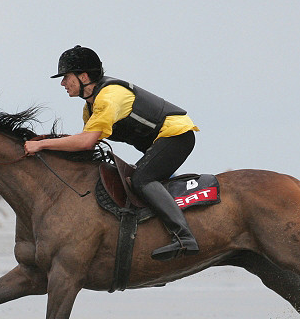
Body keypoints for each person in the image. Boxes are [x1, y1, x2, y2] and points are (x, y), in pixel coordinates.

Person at [24, 45, 200, 261]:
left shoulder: (108, 98)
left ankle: (184, 237)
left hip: (177, 135)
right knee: (134, 184)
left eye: (66, 77)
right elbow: (83, 142)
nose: (62, 83)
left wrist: (42, 145)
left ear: (84, 76)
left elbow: (86, 142)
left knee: (141, 180)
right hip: (159, 141)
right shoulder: (89, 108)